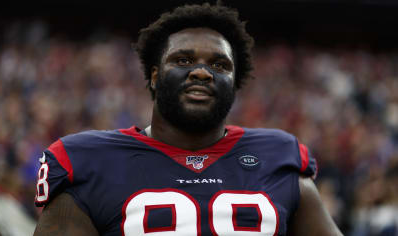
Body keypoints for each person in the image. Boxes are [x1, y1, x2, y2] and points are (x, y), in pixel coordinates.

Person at [33, 2, 343, 235]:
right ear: (154, 76)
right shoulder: (89, 161)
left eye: (220, 65)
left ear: (234, 83)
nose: (201, 71)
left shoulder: (278, 156)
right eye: (183, 60)